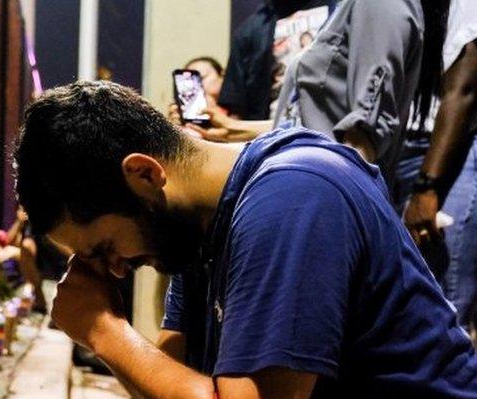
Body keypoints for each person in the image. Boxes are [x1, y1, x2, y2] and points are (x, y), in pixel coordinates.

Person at [0, 81, 477, 399]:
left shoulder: (290, 197)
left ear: (144, 174)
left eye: (107, 247)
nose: (115, 268)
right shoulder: (203, 229)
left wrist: (103, 331)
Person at [193, 0, 447, 183]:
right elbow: (317, 123)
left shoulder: (378, 4)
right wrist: (230, 130)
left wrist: (329, 210)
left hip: (319, 192)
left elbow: (364, 134)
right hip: (305, 181)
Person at [402, 0, 477, 331]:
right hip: (414, 153)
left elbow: (463, 89)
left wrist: (427, 187)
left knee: (446, 309)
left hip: (449, 155)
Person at [219, 0, 332, 121]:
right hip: (274, 130)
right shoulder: (250, 30)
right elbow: (236, 107)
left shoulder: (343, 10)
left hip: (334, 128)